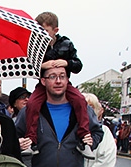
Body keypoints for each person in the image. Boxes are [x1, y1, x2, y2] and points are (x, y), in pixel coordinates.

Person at [25, 12, 92, 158]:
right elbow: (29, 67)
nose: (41, 34)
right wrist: (43, 65)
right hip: (43, 84)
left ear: (55, 30)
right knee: (32, 104)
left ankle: (84, 139)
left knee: (80, 100)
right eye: (39, 30)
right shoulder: (35, 44)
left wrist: (67, 63)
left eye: (45, 31)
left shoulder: (66, 44)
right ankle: (32, 140)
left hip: (65, 84)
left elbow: (78, 65)